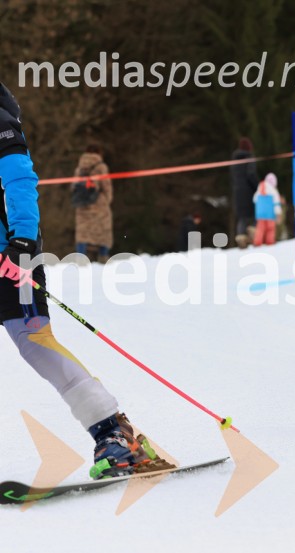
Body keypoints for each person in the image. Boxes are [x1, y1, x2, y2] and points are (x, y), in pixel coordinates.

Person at [0, 82, 173, 479]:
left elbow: (19, 180)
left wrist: (22, 242)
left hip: (11, 259)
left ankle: (115, 433)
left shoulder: (1, 119)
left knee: (35, 343)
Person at [73, 144, 113, 262]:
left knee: (82, 231)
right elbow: (107, 187)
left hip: (82, 203)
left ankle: (80, 256)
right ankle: (103, 256)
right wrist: (106, 200)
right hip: (99, 203)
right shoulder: (101, 167)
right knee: (104, 231)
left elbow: (73, 187)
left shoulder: (79, 168)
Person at [230, 137, 259, 248]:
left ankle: (241, 237)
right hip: (249, 191)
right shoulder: (249, 158)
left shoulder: (234, 160)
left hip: (237, 192)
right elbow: (251, 175)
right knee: (255, 214)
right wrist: (258, 187)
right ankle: (253, 234)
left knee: (242, 217)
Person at [252, 172, 283, 246]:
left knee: (260, 229)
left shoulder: (259, 189)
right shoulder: (274, 191)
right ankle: (270, 241)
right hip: (270, 214)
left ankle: (257, 242)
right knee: (270, 229)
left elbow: (254, 199)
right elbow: (276, 204)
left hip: (260, 214)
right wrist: (278, 214)